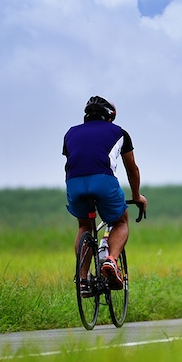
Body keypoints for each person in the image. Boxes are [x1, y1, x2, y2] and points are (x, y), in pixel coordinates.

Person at [63, 96, 147, 293]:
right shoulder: (119, 132)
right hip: (103, 181)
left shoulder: (70, 133)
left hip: (74, 182)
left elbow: (75, 160)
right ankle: (111, 261)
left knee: (84, 225)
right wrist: (136, 196)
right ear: (110, 117)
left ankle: (82, 279)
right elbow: (132, 169)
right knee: (120, 222)